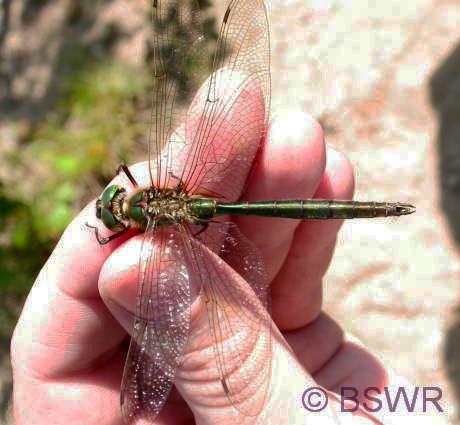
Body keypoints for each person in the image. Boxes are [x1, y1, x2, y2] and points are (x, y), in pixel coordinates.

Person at [10, 111, 444, 424]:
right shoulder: (160, 210)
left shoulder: (153, 239)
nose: (114, 208)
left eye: (118, 210)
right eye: (117, 212)